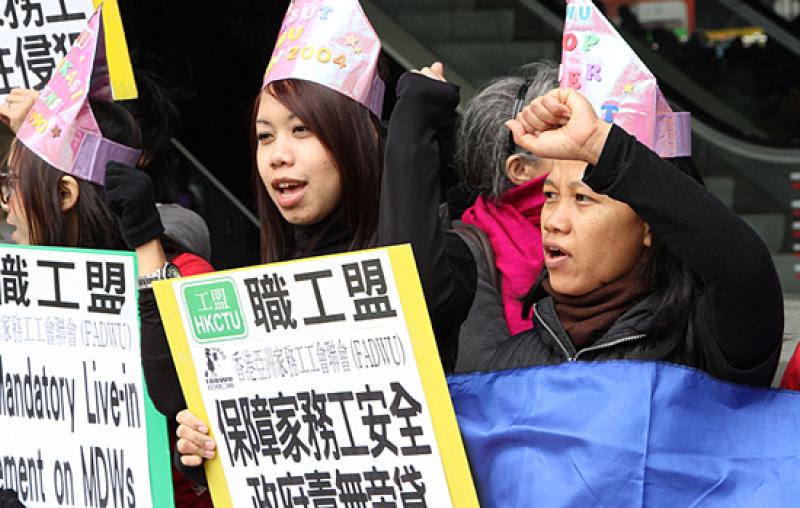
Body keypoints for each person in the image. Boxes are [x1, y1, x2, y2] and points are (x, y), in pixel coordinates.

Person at [158, 0, 386, 475]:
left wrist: (416, 138)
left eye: (301, 130)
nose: (277, 155)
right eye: (265, 136)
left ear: (355, 139)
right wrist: (205, 441)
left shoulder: (439, 254)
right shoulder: (262, 289)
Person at [474, 86, 783, 386]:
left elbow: (744, 270)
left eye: (582, 198)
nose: (554, 221)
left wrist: (601, 146)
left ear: (649, 224)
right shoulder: (512, 366)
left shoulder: (704, 347)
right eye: (550, 195)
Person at [379, 61, 563, 373]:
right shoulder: (468, 251)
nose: (585, 144)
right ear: (519, 169)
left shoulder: (613, 225)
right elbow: (482, 375)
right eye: (562, 137)